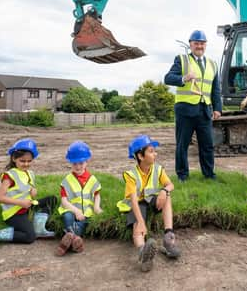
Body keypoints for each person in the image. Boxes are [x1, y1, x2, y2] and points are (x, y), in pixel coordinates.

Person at [164, 29, 222, 182]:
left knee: (207, 145)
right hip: (185, 110)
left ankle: (209, 174)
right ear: (190, 45)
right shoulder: (182, 60)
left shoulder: (212, 64)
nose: (199, 46)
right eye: (196, 43)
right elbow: (168, 78)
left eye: (202, 43)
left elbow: (215, 89)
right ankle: (182, 175)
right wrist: (184, 78)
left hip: (204, 110)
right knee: (182, 145)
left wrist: (217, 108)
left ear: (205, 45)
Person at [117, 135, 181, 272]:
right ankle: (143, 252)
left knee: (167, 196)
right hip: (137, 203)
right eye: (151, 151)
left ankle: (168, 237)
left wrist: (164, 190)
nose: (155, 154)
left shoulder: (157, 169)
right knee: (137, 227)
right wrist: (141, 221)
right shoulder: (131, 175)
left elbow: (170, 184)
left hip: (151, 200)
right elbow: (134, 200)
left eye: (154, 151)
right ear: (140, 156)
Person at [0, 138, 57, 252]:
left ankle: (39, 227)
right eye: (22, 161)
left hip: (27, 206)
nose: (26, 164)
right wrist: (20, 202)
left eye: (29, 161)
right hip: (14, 213)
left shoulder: (30, 173)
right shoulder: (9, 176)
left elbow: (27, 188)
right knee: (29, 237)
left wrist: (33, 191)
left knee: (52, 199)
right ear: (14, 158)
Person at [55, 141, 102, 256]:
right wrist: (75, 211)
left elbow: (97, 195)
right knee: (67, 217)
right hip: (70, 209)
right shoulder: (67, 180)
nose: (78, 166)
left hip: (86, 211)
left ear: (87, 162)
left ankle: (67, 241)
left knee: (82, 222)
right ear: (71, 163)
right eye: (74, 164)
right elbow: (64, 201)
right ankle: (75, 241)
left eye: (81, 163)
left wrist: (96, 207)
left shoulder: (92, 179)